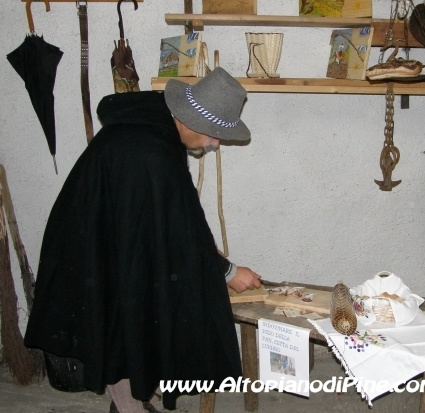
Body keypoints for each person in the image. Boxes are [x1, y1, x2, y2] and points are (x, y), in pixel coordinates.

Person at [24, 67, 262, 412]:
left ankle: (131, 401)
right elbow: (180, 230)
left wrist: (212, 256)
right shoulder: (152, 151)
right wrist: (228, 272)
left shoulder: (154, 129)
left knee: (126, 323)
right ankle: (127, 408)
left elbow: (172, 217)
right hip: (92, 242)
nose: (214, 144)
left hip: (106, 239)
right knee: (122, 326)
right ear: (191, 121)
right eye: (214, 135)